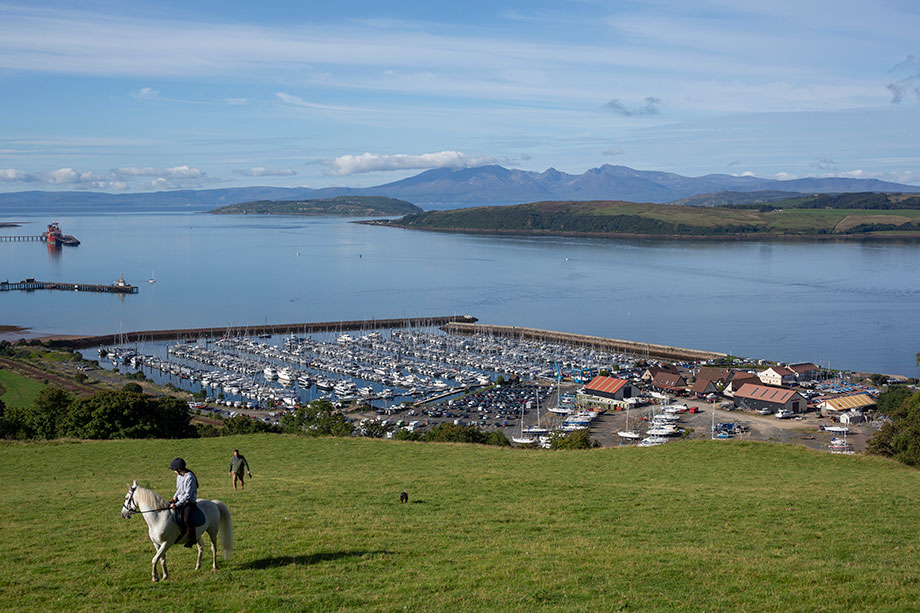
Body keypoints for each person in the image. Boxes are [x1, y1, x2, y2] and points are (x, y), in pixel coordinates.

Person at [168, 457, 198, 548]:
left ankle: (192, 539)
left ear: (179, 469)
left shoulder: (190, 478)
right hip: (180, 499)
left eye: (174, 470)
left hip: (189, 502)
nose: (174, 471)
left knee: (186, 519)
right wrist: (174, 497)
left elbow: (187, 496)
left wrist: (176, 504)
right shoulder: (179, 477)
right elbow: (180, 489)